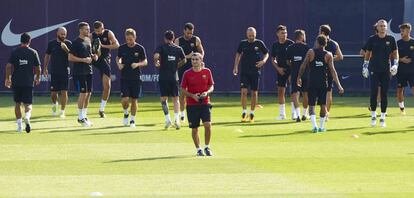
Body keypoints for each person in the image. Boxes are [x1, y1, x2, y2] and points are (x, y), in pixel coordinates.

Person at [297, 35, 344, 132]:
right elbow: (333, 71)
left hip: (312, 83)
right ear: (326, 44)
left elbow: (303, 66)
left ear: (317, 42)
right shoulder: (329, 55)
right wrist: (339, 85)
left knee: (312, 105)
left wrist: (298, 77)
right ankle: (322, 127)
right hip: (323, 83)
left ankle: (314, 126)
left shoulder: (311, 52)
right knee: (323, 105)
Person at [362, 19, 399, 127]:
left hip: (386, 70)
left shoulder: (391, 39)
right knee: (373, 93)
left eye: (384, 26)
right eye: (381, 26)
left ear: (386, 28)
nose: (383, 27)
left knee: (384, 94)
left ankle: (382, 118)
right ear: (377, 28)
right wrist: (365, 66)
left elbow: (395, 53)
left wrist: (395, 64)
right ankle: (373, 116)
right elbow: (367, 53)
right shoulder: (372, 39)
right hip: (374, 69)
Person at [4, 33, 41, 133]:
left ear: (20, 41)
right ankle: (27, 117)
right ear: (29, 41)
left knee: (17, 103)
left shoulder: (15, 51)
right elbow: (38, 68)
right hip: (28, 82)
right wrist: (37, 78)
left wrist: (7, 78)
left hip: (16, 82)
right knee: (28, 104)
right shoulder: (33, 52)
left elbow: (8, 66)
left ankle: (19, 126)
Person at [181, 53, 214, 156]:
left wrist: (206, 93)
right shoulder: (187, 73)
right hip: (191, 105)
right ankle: (198, 149)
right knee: (195, 128)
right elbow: (182, 89)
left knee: (207, 125)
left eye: (196, 59)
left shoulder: (207, 71)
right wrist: (192, 96)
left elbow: (211, 86)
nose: (194, 61)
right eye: (193, 59)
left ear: (201, 60)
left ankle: (207, 147)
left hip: (205, 103)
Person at [233, 27, 269, 123]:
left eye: (252, 35)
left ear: (255, 34)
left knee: (254, 93)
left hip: (255, 72)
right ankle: (244, 112)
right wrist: (235, 66)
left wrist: (263, 61)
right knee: (244, 92)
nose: (251, 37)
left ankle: (252, 113)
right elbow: (238, 54)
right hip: (245, 72)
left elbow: (266, 53)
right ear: (246, 34)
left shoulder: (259, 43)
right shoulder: (243, 43)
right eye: (249, 35)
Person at [154, 30, 186, 129]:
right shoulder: (178, 48)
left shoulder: (161, 47)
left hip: (163, 77)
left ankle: (168, 120)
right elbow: (184, 60)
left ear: (164, 38)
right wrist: (176, 66)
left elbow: (156, 56)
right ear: (173, 38)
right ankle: (176, 119)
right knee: (176, 99)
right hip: (174, 77)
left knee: (164, 99)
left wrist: (157, 62)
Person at [69, 22, 98, 127]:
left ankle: (84, 117)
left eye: (88, 29)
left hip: (89, 71)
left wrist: (94, 57)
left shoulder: (88, 41)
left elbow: (89, 55)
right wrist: (83, 60)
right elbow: (70, 57)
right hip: (79, 72)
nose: (88, 31)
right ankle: (80, 117)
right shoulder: (75, 42)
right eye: (86, 29)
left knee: (89, 93)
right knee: (83, 93)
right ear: (80, 30)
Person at [116, 28, 147, 127]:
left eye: (130, 39)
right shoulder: (122, 48)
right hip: (124, 77)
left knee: (134, 100)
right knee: (125, 99)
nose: (129, 41)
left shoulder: (140, 48)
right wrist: (119, 64)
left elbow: (145, 62)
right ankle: (126, 113)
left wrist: (137, 64)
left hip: (136, 78)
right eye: (127, 39)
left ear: (135, 37)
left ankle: (132, 120)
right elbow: (118, 58)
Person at [175, 22, 205, 122]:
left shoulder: (196, 39)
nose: (189, 35)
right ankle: (182, 114)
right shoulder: (178, 41)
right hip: (182, 69)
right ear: (184, 31)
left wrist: (200, 59)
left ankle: (198, 113)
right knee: (183, 93)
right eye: (188, 33)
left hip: (195, 69)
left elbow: (201, 51)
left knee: (196, 92)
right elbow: (175, 57)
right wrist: (187, 57)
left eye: (191, 33)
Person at [91, 21, 120, 118]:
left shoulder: (108, 33)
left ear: (103, 28)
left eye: (100, 30)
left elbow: (117, 45)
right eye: (97, 31)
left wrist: (103, 46)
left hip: (105, 59)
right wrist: (93, 53)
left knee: (107, 86)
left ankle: (101, 109)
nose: (99, 33)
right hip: (95, 60)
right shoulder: (92, 35)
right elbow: (87, 48)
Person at [43, 27, 71, 118]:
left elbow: (72, 56)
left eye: (64, 34)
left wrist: (66, 49)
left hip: (65, 71)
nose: (63, 35)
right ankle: (54, 105)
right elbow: (47, 55)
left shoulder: (68, 43)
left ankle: (62, 111)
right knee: (53, 93)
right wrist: (45, 68)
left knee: (64, 92)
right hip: (54, 72)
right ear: (57, 33)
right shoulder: (52, 43)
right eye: (61, 33)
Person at [318, 25, 344, 121]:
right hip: (328, 70)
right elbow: (340, 56)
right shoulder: (334, 43)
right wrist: (331, 59)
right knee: (328, 92)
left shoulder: (319, 42)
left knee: (324, 92)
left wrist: (328, 60)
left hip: (320, 70)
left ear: (323, 33)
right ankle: (326, 114)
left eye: (319, 31)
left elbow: (340, 57)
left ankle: (324, 113)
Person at [286, 29, 310, 122]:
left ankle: (298, 115)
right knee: (305, 93)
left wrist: (294, 66)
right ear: (302, 37)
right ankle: (304, 114)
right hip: (305, 73)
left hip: (295, 73)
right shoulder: (307, 48)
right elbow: (309, 61)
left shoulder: (290, 48)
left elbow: (288, 61)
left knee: (295, 93)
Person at [271, 25, 294, 120]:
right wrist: (278, 68)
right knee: (281, 91)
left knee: (294, 92)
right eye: (282, 33)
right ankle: (282, 114)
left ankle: (294, 113)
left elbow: (295, 58)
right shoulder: (275, 45)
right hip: (281, 71)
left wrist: (292, 71)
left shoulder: (291, 43)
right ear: (277, 34)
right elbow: (273, 59)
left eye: (285, 33)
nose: (284, 35)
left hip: (291, 70)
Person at [396, 23, 414, 115]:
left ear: (408, 31)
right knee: (400, 90)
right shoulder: (398, 43)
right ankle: (402, 109)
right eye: (401, 30)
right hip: (401, 71)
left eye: (403, 30)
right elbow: (393, 56)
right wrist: (401, 59)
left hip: (412, 71)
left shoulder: (413, 42)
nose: (401, 32)